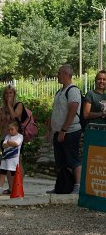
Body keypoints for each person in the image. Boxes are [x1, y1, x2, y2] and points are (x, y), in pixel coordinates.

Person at [47, 64, 82, 195]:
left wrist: (64, 129)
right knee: (60, 161)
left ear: (66, 74)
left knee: (73, 159)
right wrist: (50, 129)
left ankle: (77, 186)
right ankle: (61, 186)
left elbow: (73, 110)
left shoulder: (73, 91)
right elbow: (55, 112)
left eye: (59, 73)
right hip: (58, 132)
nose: (57, 75)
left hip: (70, 131)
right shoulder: (59, 92)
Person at [0, 121, 23, 196]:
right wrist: (9, 143)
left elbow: (16, 144)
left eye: (12, 129)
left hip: (14, 161)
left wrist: (9, 143)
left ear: (17, 128)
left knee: (14, 176)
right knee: (2, 174)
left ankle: (15, 190)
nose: (10, 131)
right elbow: (4, 145)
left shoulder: (20, 136)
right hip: (5, 160)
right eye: (9, 129)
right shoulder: (7, 136)